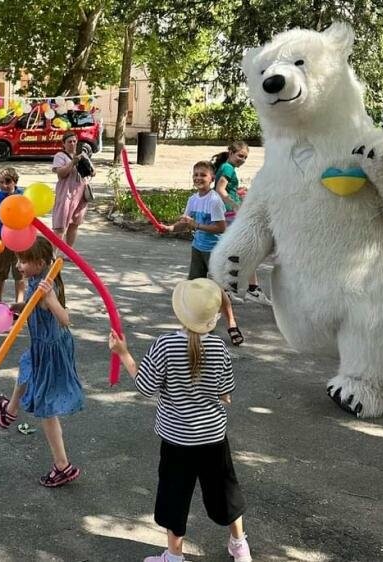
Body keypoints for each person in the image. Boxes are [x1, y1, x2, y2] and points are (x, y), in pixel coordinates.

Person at [108, 278, 252, 562]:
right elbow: (226, 390)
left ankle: (174, 556)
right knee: (225, 490)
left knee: (175, 496)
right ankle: (240, 545)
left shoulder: (165, 345)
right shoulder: (220, 348)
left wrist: (124, 354)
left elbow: (146, 386)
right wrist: (214, 394)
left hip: (177, 440)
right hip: (213, 436)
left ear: (181, 312)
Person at [0, 236, 84, 487]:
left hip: (51, 351)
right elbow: (34, 305)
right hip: (42, 347)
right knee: (25, 365)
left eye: (23, 261)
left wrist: (51, 300)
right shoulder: (37, 281)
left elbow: (65, 319)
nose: (18, 265)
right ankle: (10, 411)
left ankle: (62, 465)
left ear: (40, 262)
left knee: (46, 410)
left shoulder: (46, 290)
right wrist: (20, 307)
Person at [163, 161, 244, 347]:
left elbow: (221, 228)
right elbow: (186, 222)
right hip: (198, 248)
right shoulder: (193, 199)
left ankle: (232, 323)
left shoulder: (214, 200)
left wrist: (196, 225)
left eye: (203, 175)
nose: (198, 178)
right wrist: (170, 228)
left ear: (212, 178)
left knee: (218, 288)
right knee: (194, 286)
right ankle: (196, 323)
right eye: (196, 174)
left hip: (215, 251)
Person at [212, 142, 271, 306]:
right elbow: (220, 190)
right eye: (240, 155)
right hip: (230, 215)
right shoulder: (228, 168)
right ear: (230, 152)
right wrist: (236, 206)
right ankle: (248, 290)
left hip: (228, 214)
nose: (242, 159)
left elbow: (225, 189)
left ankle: (242, 289)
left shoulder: (226, 168)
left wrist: (237, 192)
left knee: (241, 252)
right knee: (246, 251)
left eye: (245, 157)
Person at [0, 167, 25, 304]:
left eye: (7, 182)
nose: (4, 185)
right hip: (1, 239)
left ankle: (19, 303)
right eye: (1, 182)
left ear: (15, 181)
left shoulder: (22, 196)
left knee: (20, 272)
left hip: (19, 241)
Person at [51, 131, 91, 247]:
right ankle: (53, 253)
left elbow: (93, 173)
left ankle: (68, 252)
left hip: (80, 195)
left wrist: (86, 164)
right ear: (63, 144)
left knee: (74, 224)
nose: (72, 144)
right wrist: (73, 163)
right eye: (69, 142)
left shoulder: (81, 155)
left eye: (74, 141)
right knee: (60, 226)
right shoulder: (60, 156)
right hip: (66, 194)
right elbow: (61, 174)